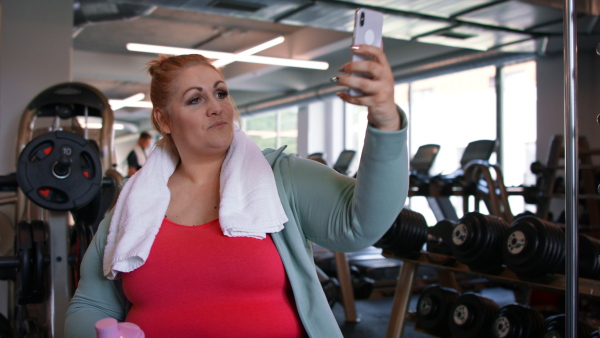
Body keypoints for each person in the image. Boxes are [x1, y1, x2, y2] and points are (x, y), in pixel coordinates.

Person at [65, 43, 409, 337]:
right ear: (164, 121)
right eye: (195, 100)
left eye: (220, 93)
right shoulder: (135, 200)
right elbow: (90, 304)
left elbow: (360, 224)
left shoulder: (280, 176)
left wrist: (385, 120)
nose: (217, 106)